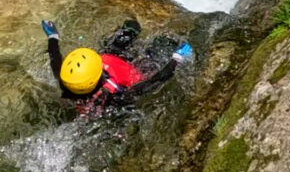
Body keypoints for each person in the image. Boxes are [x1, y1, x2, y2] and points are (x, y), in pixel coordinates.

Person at [41, 18, 193, 116]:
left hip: (112, 56)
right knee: (163, 42)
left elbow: (55, 58)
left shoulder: (67, 81)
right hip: (137, 69)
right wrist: (177, 59)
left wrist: (53, 36)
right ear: (99, 74)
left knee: (132, 26)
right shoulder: (118, 95)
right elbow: (155, 81)